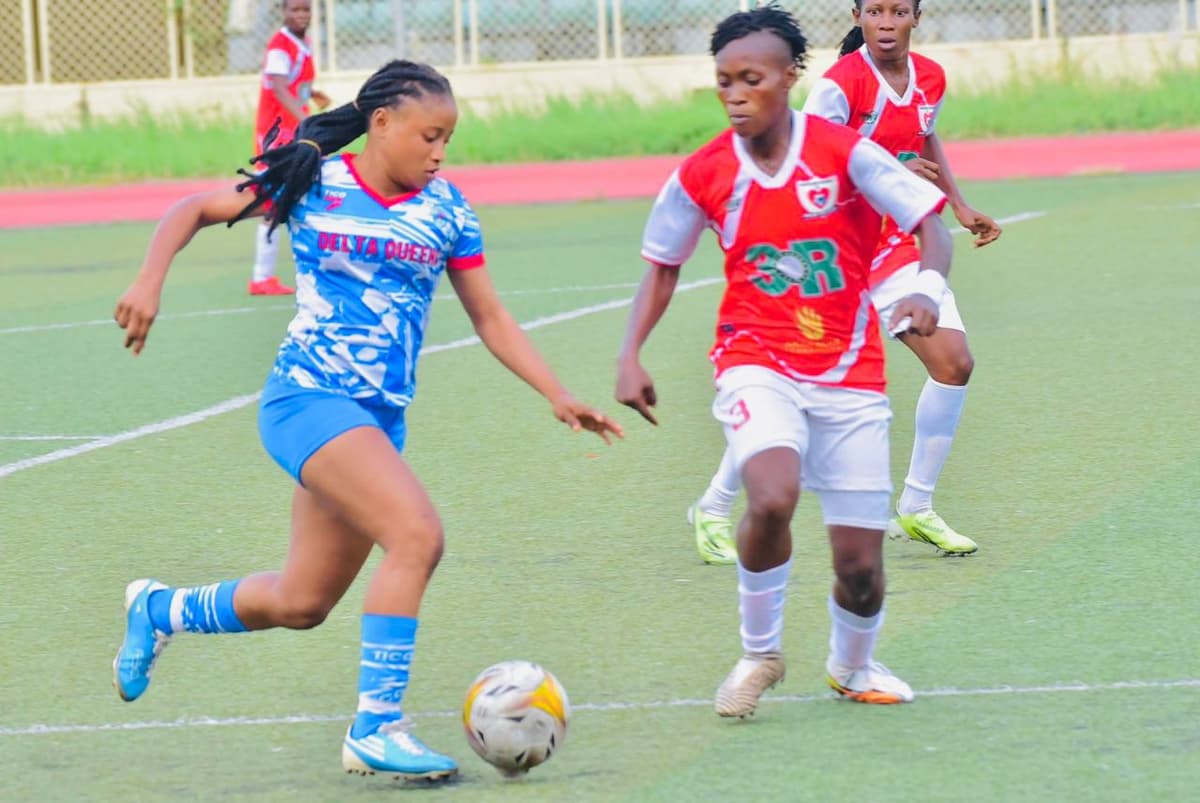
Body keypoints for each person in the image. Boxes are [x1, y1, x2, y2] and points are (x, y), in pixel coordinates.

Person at [112, 59, 622, 780]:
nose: (440, 151)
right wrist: (147, 280)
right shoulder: (312, 180)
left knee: (302, 600)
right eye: (429, 135)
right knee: (416, 534)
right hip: (307, 400)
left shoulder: (447, 209)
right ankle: (376, 725)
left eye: (448, 138)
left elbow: (491, 315)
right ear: (381, 124)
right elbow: (193, 209)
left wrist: (556, 391)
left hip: (376, 422)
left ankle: (161, 609)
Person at [616, 4, 952, 714]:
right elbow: (662, 265)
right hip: (755, 357)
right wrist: (630, 352)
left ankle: (852, 667)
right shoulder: (704, 171)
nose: (736, 94)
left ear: (791, 78)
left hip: (850, 370)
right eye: (724, 82)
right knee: (771, 491)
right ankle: (760, 652)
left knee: (860, 568)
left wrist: (926, 287)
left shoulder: (843, 152)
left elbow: (930, 223)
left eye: (752, 79)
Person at [688, 0, 1002, 562]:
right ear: (857, 16)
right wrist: (888, 170)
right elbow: (810, 160)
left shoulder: (930, 78)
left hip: (898, 244)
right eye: (875, 11)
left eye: (898, 11)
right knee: (791, 385)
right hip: (837, 249)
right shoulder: (839, 86)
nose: (886, 22)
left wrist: (956, 203)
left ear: (917, 17)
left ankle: (917, 506)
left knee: (954, 363)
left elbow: (926, 138)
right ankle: (712, 507)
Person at [249, 0, 331, 296]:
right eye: (295, 9)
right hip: (276, 132)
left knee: (304, 189)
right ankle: (261, 277)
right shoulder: (279, 46)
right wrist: (307, 119)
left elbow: (297, 83)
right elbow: (280, 88)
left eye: (306, 9)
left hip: (291, 128)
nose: (301, 15)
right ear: (283, 11)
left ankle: (314, 266)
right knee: (274, 198)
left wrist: (315, 94)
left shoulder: (303, 42)